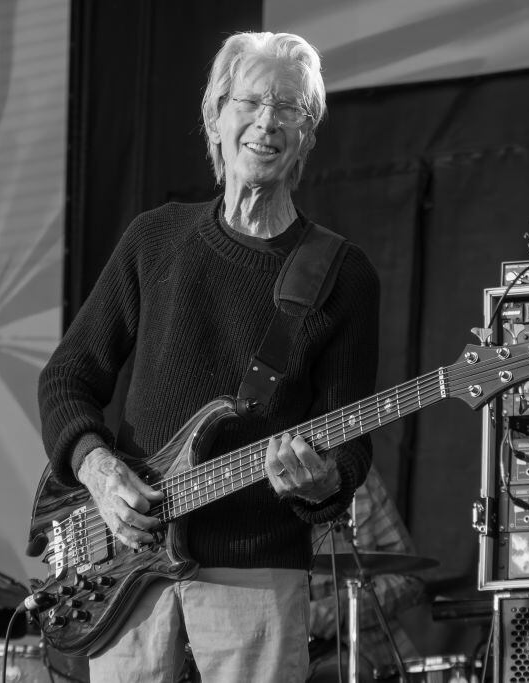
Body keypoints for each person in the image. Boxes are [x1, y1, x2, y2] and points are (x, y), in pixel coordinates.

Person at [38, 31, 380, 682]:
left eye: (291, 110)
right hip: (127, 570)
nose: (267, 123)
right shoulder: (155, 239)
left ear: (308, 134)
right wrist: (101, 469)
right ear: (215, 114)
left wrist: (322, 481)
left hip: (257, 573)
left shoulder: (343, 274)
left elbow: (350, 447)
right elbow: (67, 377)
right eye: (250, 101)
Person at [307, 468, 428, 682]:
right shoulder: (255, 488)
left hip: (373, 651)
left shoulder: (358, 472)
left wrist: (338, 610)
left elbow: (409, 578)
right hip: (291, 656)